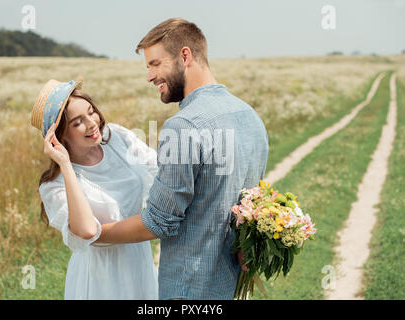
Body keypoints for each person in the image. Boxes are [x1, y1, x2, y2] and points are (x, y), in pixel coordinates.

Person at [94, 18, 269, 299]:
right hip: (235, 287)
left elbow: (160, 221)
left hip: (190, 289)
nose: (149, 76)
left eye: (155, 64)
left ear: (184, 56)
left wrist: (95, 234)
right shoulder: (249, 116)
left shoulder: (184, 126)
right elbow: (254, 202)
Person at [31, 76, 158, 299]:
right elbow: (88, 231)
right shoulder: (54, 186)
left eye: (91, 111)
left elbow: (160, 170)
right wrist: (66, 166)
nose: (91, 123)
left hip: (140, 262)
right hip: (102, 278)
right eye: (77, 122)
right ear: (59, 135)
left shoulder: (117, 137)